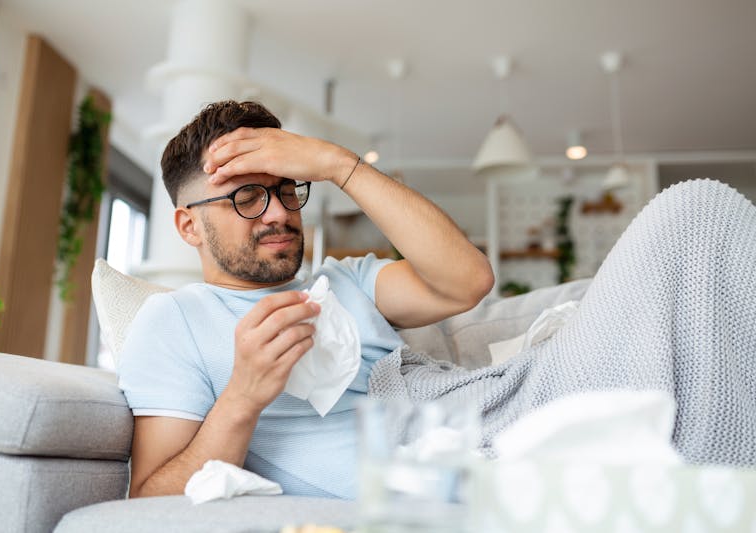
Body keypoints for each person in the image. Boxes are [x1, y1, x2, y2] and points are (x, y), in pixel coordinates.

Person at [118, 100, 494, 499]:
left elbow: (469, 281)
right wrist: (243, 396)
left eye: (287, 191)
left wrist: (339, 165)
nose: (279, 213)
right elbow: (149, 500)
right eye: (247, 198)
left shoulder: (349, 281)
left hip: (478, 437)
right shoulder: (175, 319)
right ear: (189, 226)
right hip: (425, 493)